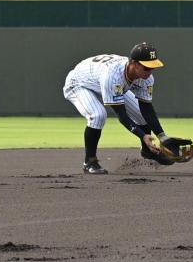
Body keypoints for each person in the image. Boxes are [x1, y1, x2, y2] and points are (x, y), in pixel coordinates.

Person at [62, 41, 176, 175]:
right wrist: (141, 134)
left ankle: (147, 150)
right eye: (146, 67)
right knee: (98, 115)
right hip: (79, 84)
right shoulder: (113, 76)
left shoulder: (146, 78)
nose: (150, 72)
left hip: (105, 82)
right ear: (134, 63)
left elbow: (147, 109)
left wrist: (163, 137)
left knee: (140, 113)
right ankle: (90, 162)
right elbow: (122, 115)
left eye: (153, 67)